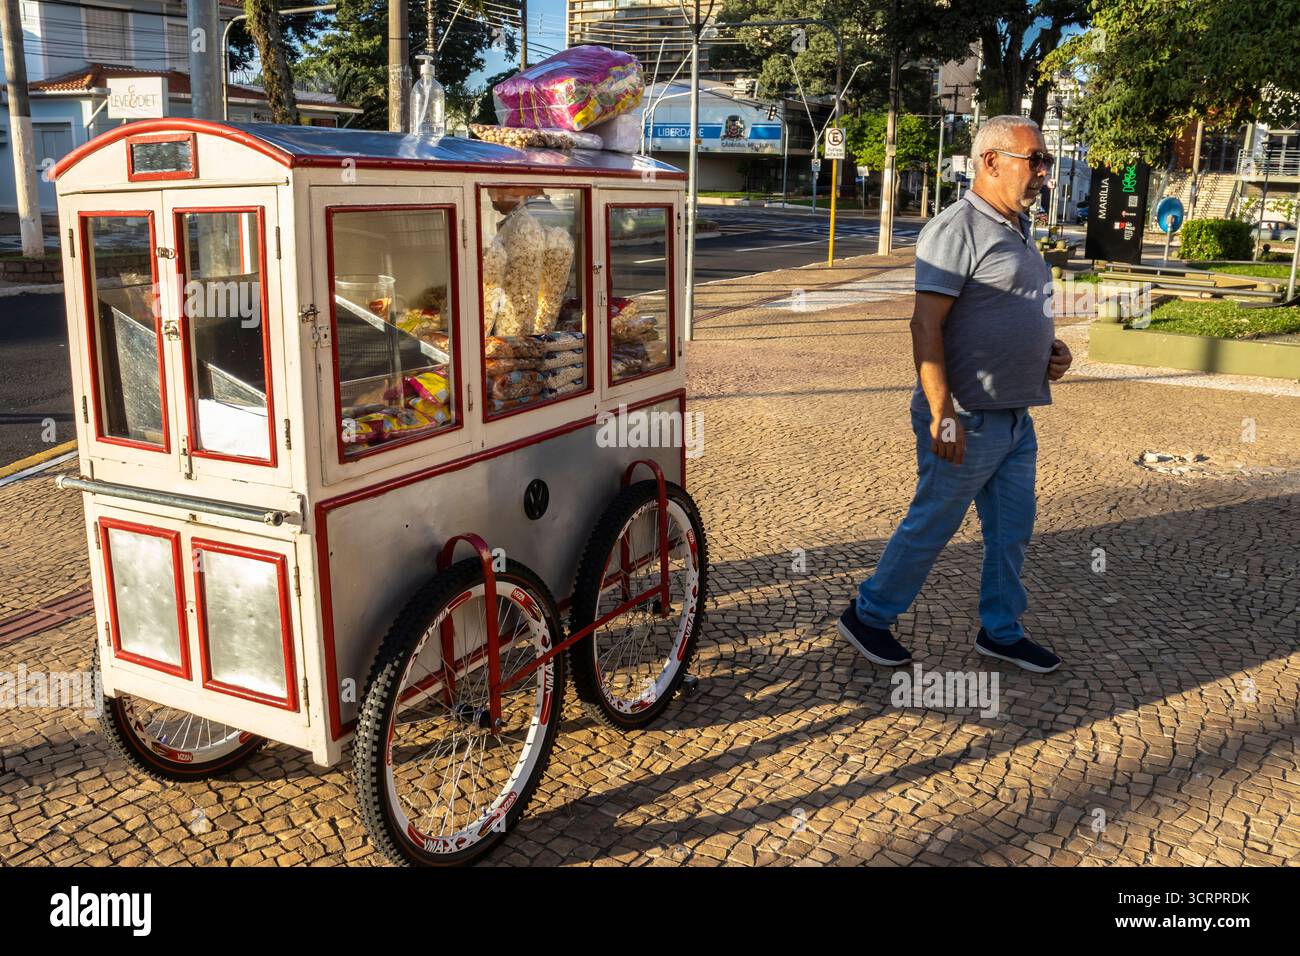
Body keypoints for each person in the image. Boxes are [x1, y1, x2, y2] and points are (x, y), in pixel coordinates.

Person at [838, 115, 1073, 673]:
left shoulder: (1018, 227)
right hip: (966, 416)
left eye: (1045, 161)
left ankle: (1001, 630)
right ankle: (868, 616)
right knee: (933, 523)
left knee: (1012, 531)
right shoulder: (955, 229)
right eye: (1033, 159)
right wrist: (941, 412)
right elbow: (925, 326)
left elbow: (1002, 311)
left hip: (1015, 416)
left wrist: (1049, 349)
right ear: (991, 161)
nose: (1042, 171)